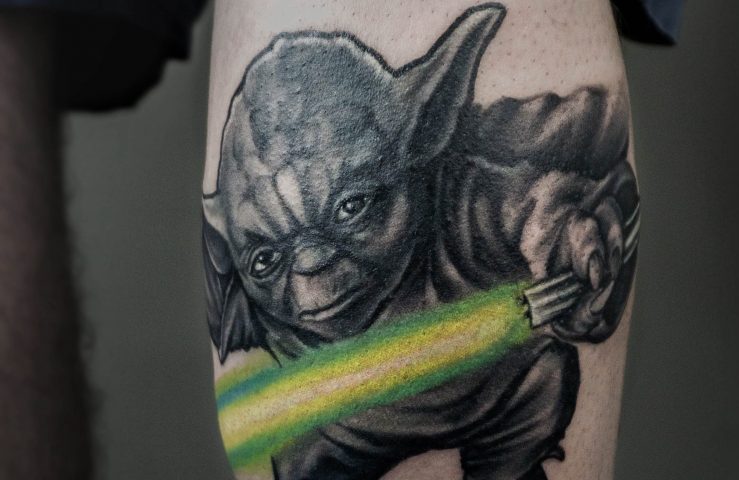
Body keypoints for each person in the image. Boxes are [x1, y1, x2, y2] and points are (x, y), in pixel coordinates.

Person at [0, 1, 680, 478]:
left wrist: (566, 237)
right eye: (267, 258)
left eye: (353, 206)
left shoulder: (466, 185)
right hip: (338, 427)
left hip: (508, 394)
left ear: (428, 124)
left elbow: (536, 195)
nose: (311, 277)